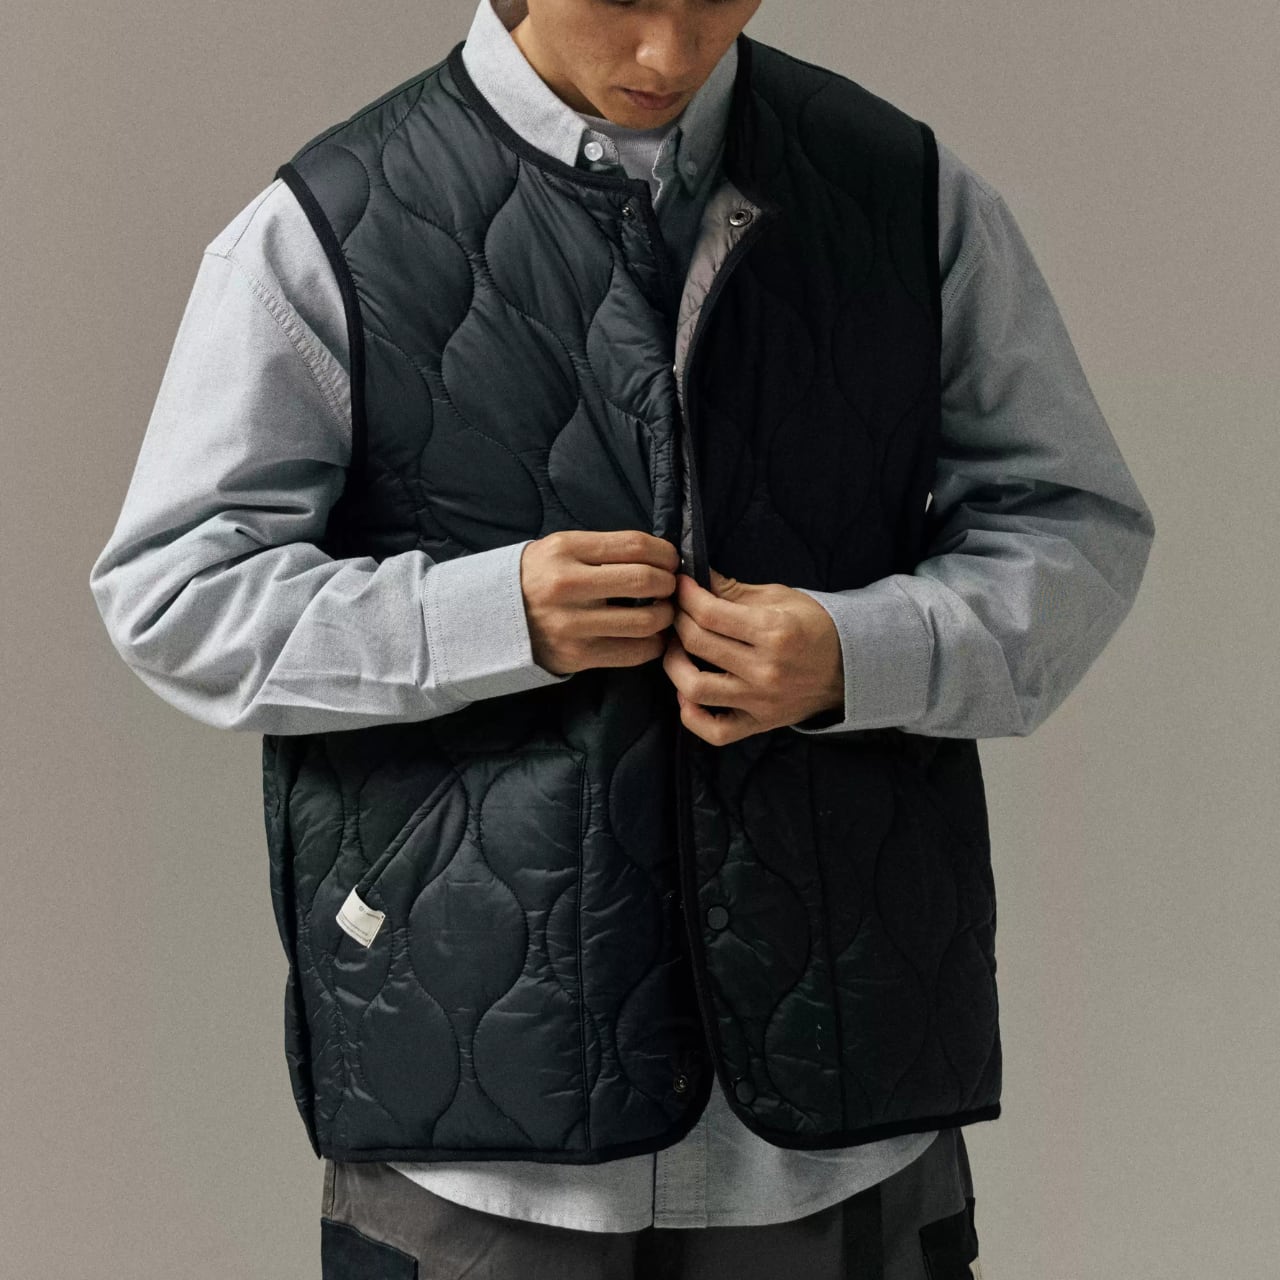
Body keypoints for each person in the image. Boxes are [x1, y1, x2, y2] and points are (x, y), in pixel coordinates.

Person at [88, 0, 1155, 1275]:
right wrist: (486, 617)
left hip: (843, 1099)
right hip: (478, 1127)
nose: (669, 55)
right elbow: (174, 590)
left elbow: (1071, 523)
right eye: (624, 0)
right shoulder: (326, 225)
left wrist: (861, 650)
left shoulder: (905, 191)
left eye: (712, 1)